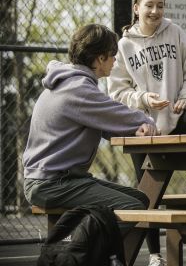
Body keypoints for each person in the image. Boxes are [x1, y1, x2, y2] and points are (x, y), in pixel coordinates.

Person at [107, 0, 186, 266]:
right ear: (136, 8)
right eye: (149, 5)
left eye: (160, 6)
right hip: (145, 128)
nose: (155, 11)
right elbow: (117, 92)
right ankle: (154, 255)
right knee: (146, 196)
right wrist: (142, 99)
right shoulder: (124, 46)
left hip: (177, 119)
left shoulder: (176, 32)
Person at [23, 24, 156, 238]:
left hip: (60, 179)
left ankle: (92, 251)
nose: (115, 61)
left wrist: (134, 131)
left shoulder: (69, 83)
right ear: (100, 58)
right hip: (51, 183)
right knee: (132, 207)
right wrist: (147, 122)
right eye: (113, 56)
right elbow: (122, 115)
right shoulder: (79, 89)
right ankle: (77, 255)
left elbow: (106, 123)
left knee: (140, 199)